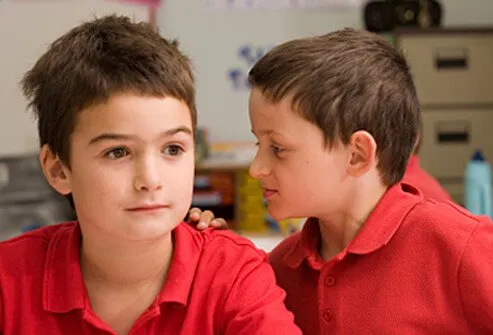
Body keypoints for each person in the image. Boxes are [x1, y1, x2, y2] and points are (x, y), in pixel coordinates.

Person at [0, 15, 302, 335]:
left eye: (172, 149)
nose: (151, 179)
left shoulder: (234, 273)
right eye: (117, 152)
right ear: (58, 169)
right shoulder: (9, 280)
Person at [190, 28, 493, 334]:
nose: (256, 169)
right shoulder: (280, 268)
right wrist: (222, 261)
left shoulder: (460, 245)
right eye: (259, 145)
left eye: (278, 149)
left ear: (357, 155)